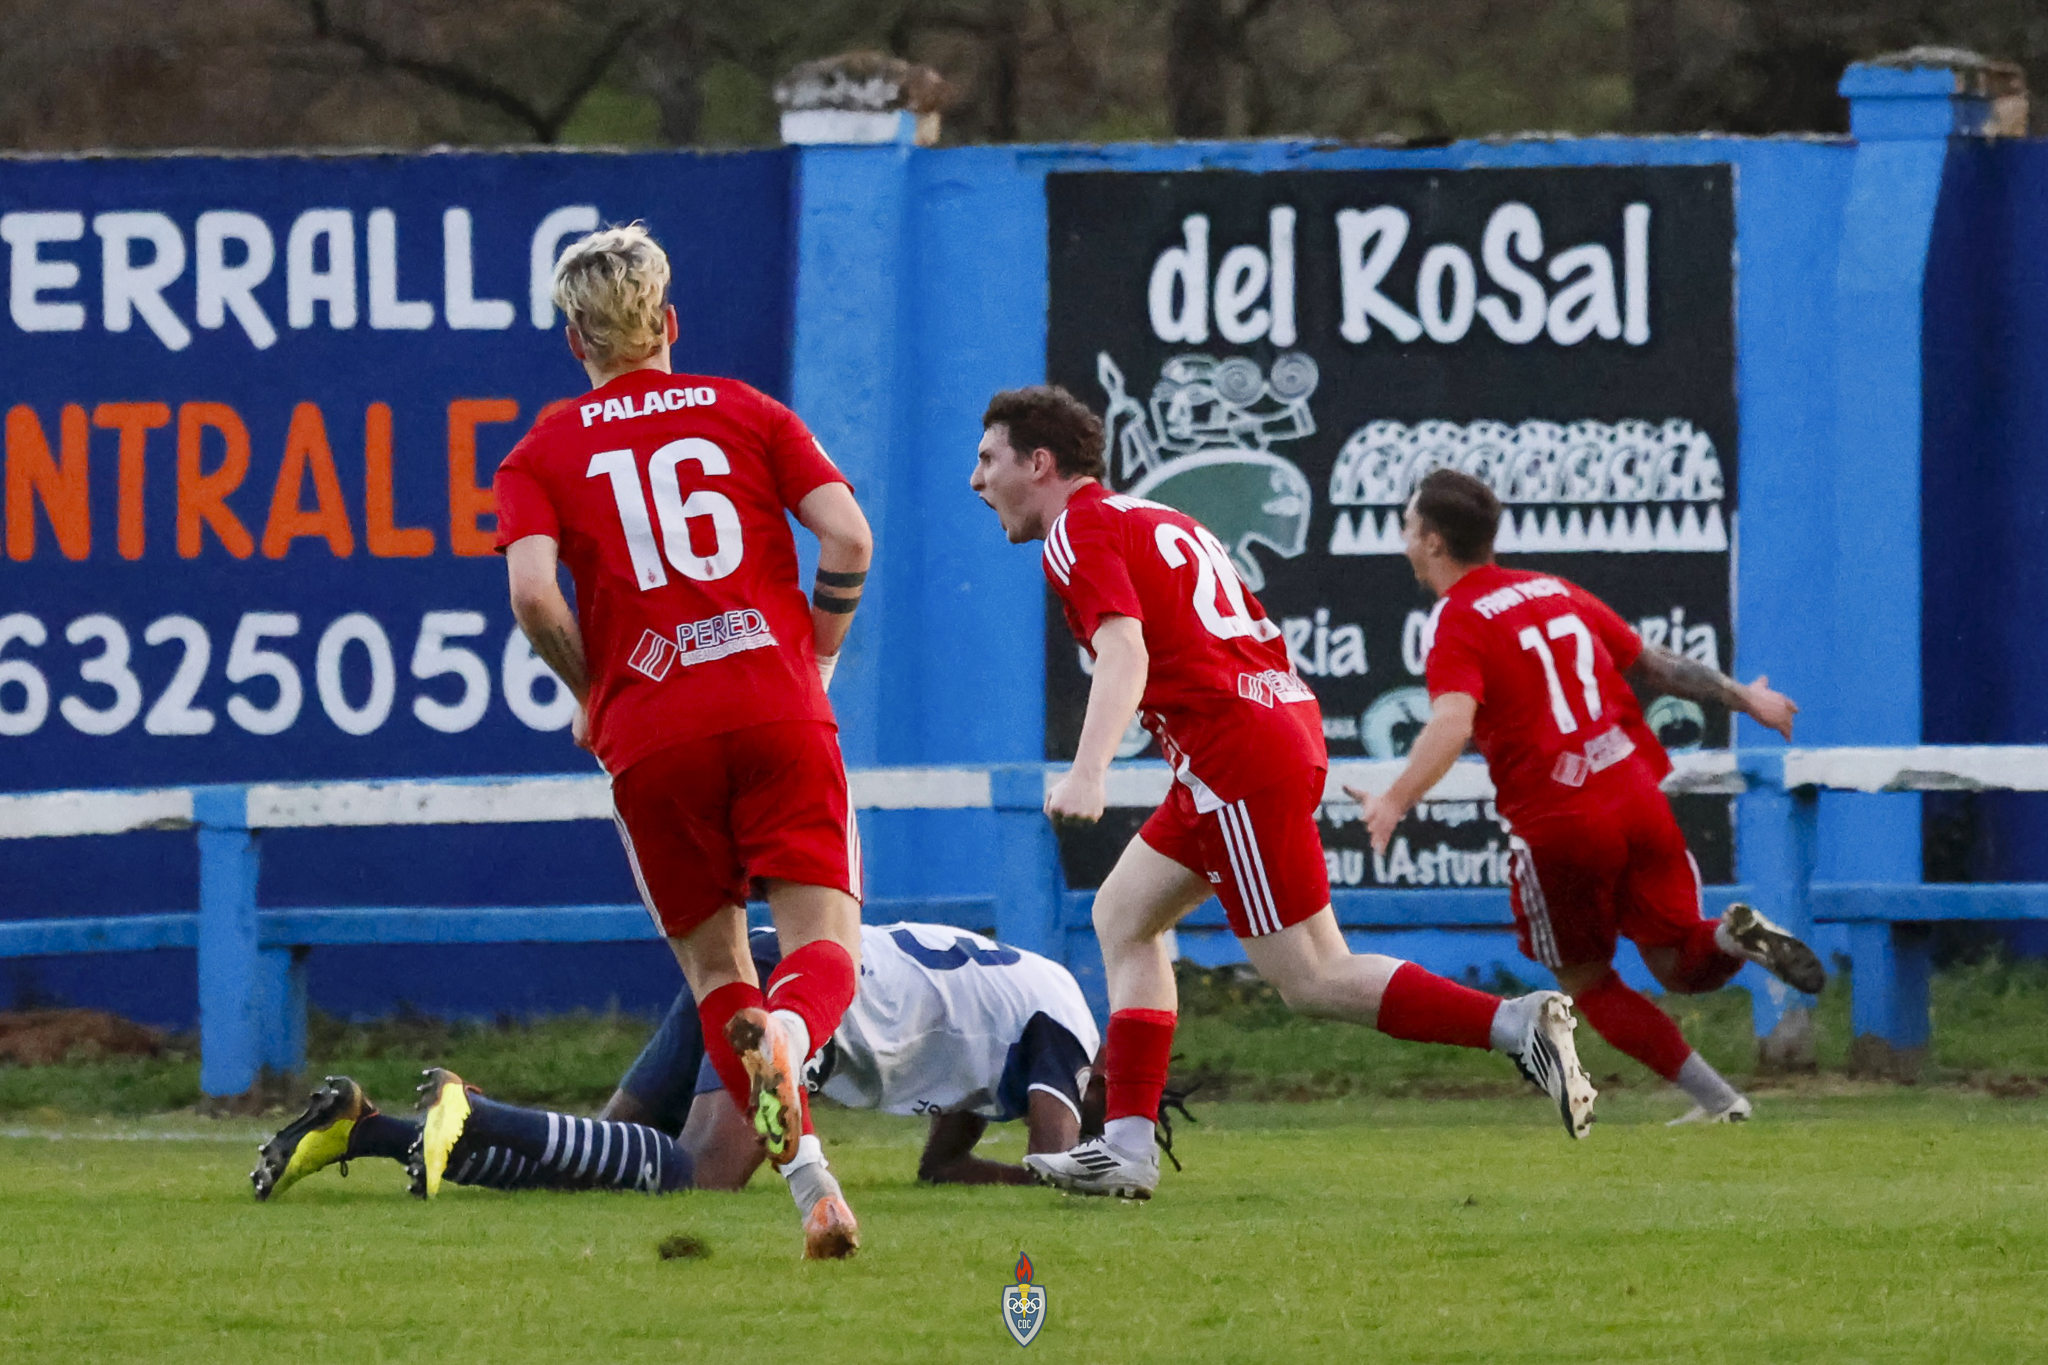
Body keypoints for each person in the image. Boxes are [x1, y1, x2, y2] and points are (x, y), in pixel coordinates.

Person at [968, 385, 1597, 1202]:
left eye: (989, 459)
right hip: (1265, 733)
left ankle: (1514, 1024)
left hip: (1234, 753)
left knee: (1310, 976)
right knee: (1123, 916)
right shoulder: (1156, 517)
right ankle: (1123, 1143)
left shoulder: (1075, 533)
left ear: (1039, 463)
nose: (977, 480)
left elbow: (1125, 649)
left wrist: (1088, 770)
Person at [489, 223, 873, 1257]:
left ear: (576, 341)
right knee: (822, 949)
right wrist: (817, 657)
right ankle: (792, 1036)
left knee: (716, 974)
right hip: (774, 703)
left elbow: (532, 594)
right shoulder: (746, 410)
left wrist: (593, 689)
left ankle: (809, 1183)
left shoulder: (541, 448)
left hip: (651, 731)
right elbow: (847, 537)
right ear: (668, 322)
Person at [1353, 468, 1826, 1124]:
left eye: (1409, 528)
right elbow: (1656, 664)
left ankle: (1720, 1101)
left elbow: (1452, 722)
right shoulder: (1551, 588)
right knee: (1677, 956)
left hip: (1562, 819)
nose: (1404, 541)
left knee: (1587, 978)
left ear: (1433, 541)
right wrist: (1748, 696)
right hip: (1634, 793)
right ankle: (1734, 936)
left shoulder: (1457, 620)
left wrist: (1395, 799)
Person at [249, 923, 1107, 1199]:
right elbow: (1058, 1157)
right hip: (801, 996)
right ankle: (473, 1108)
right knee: (699, 1174)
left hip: (763, 954)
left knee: (597, 1159)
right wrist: (1101, 1170)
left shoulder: (1023, 1002)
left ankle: (362, 1129)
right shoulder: (1068, 1027)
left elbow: (943, 1167)